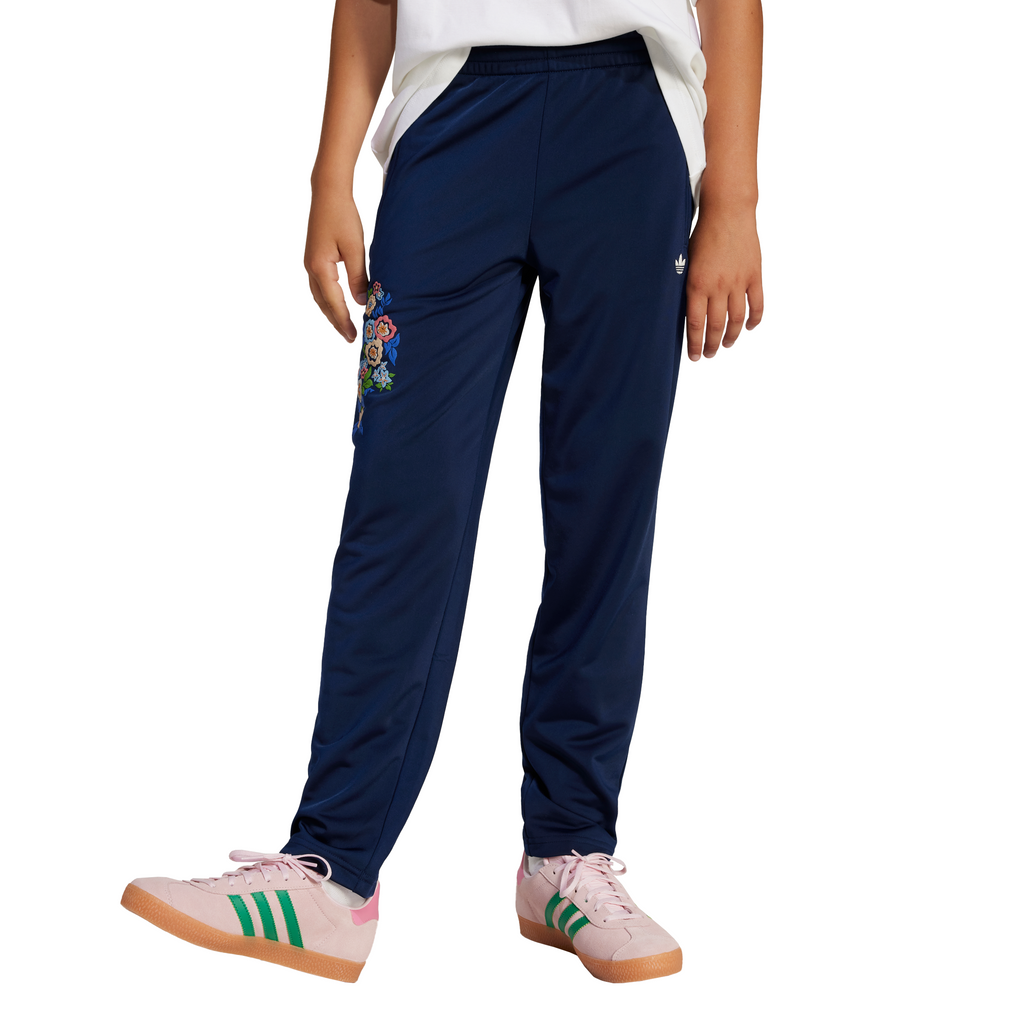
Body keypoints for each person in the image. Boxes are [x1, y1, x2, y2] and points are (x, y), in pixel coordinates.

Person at [121, 0, 763, 985]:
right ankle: (332, 873)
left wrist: (734, 197)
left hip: (633, 115)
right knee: (401, 498)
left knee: (604, 507)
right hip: (451, 116)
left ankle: (567, 851)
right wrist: (330, 175)